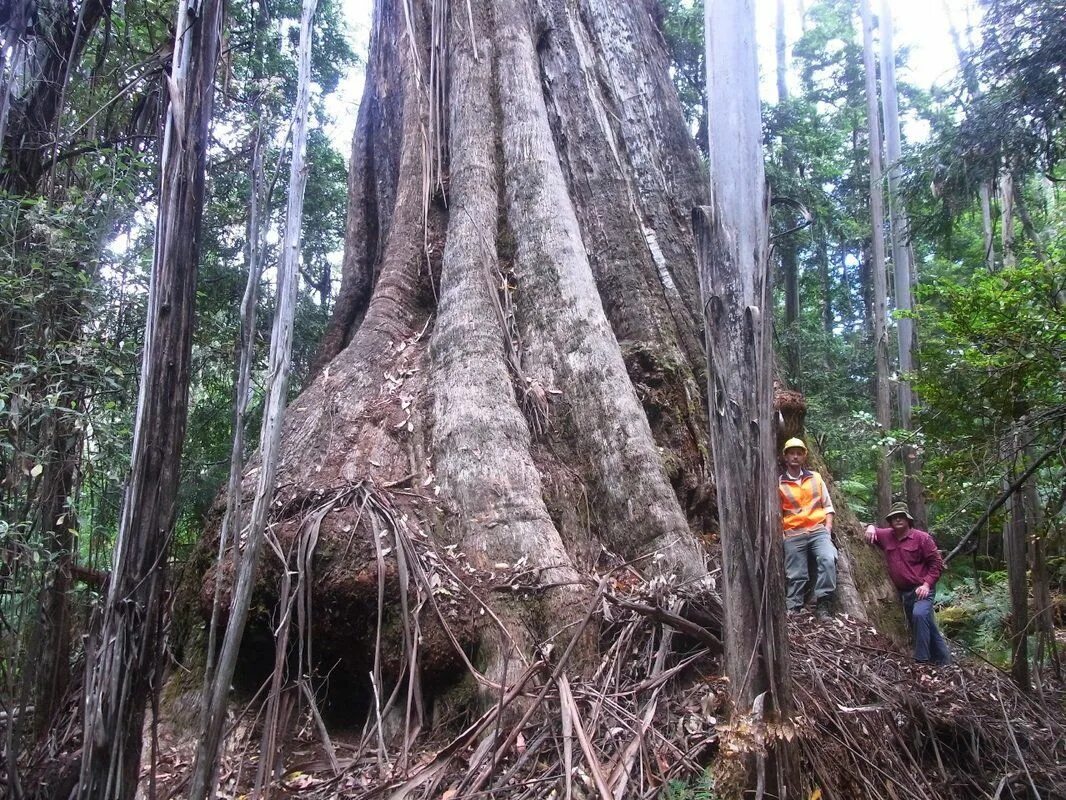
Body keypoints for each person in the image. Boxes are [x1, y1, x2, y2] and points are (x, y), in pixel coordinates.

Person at [865, 502, 952, 666]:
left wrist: (926, 585)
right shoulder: (886, 535)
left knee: (919, 615)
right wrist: (870, 527)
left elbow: (936, 564)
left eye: (901, 517)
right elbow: (872, 530)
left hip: (922, 590)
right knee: (926, 624)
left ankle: (921, 662)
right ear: (890, 521)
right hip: (903, 593)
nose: (897, 519)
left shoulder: (922, 538)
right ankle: (944, 662)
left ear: (908, 520)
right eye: (894, 517)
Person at [778, 437, 837, 619]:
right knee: (796, 573)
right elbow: (776, 514)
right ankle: (793, 608)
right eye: (791, 453)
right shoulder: (779, 483)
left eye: (799, 453)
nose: (795, 457)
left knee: (828, 559)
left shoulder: (816, 478)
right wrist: (782, 535)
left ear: (804, 456)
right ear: (785, 457)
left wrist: (827, 528)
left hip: (818, 530)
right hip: (793, 533)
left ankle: (823, 605)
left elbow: (827, 505)